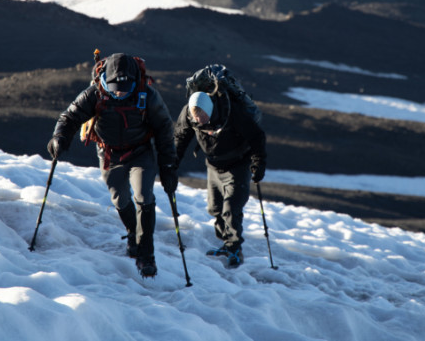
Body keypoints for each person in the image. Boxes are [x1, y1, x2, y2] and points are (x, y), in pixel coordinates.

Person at [47, 53, 176, 278]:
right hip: (109, 154)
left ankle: (147, 256)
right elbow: (69, 117)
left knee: (145, 196)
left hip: (140, 152)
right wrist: (60, 138)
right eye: (115, 87)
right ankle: (133, 234)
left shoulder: (147, 95)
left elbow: (164, 128)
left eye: (125, 88)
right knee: (120, 198)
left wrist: (167, 166)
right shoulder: (94, 94)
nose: (119, 92)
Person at [172, 88, 266, 268]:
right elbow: (181, 138)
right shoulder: (189, 115)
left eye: (203, 117)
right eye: (196, 118)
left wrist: (258, 163)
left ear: (211, 110)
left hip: (238, 165)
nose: (200, 121)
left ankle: (234, 248)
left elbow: (256, 136)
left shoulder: (231, 113)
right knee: (215, 208)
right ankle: (226, 243)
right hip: (214, 165)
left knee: (231, 207)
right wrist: (172, 163)